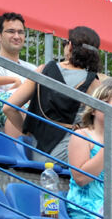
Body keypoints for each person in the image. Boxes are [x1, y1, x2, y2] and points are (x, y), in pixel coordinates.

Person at [6, 25, 102, 162]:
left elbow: (9, 107)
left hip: (37, 154)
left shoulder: (42, 70)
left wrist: (26, 131)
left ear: (70, 46)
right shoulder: (93, 83)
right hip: (70, 157)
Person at [66, 78, 112, 219]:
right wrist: (110, 146)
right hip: (87, 207)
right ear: (93, 109)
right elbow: (81, 178)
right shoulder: (82, 136)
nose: (111, 106)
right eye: (105, 102)